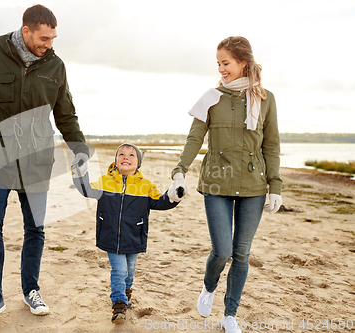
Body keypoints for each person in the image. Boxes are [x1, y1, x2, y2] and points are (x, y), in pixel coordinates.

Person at [0, 5, 89, 328]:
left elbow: (66, 114)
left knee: (35, 229)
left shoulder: (56, 66)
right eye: (44, 37)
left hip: (37, 159)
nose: (49, 44)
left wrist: (79, 149)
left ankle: (31, 289)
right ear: (26, 31)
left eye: (53, 38)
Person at [167, 36, 282, 333]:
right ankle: (209, 286)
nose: (221, 69)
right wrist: (180, 170)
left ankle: (230, 314)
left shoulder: (266, 99)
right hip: (216, 183)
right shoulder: (211, 97)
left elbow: (271, 145)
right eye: (218, 63)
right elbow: (194, 139)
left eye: (226, 63)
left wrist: (276, 187)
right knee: (222, 250)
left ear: (243, 62)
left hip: (253, 186)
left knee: (241, 253)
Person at [72, 143, 180, 323]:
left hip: (135, 235)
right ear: (115, 160)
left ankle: (126, 292)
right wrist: (80, 174)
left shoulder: (146, 185)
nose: (125, 157)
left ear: (138, 163)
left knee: (129, 271)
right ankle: (119, 304)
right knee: (119, 270)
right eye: (121, 154)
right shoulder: (105, 182)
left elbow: (160, 202)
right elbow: (86, 190)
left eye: (131, 155)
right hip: (110, 235)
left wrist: (174, 196)